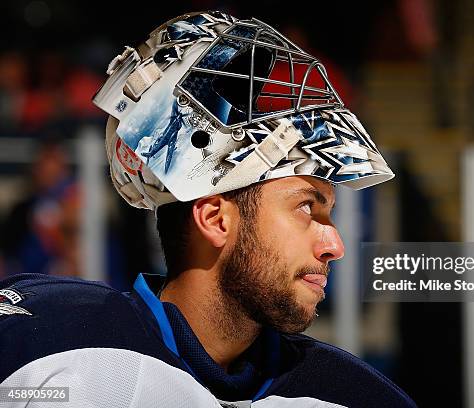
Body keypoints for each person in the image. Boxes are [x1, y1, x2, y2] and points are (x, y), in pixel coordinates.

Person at [0, 11, 416, 407]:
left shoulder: (354, 395)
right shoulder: (43, 344)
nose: (335, 244)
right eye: (307, 208)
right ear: (215, 219)